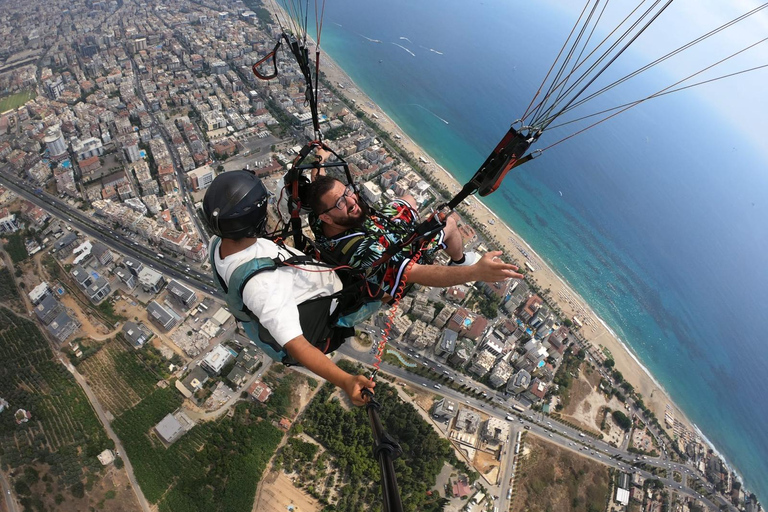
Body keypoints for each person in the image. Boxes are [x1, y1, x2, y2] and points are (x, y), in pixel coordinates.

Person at [203, 170, 374, 406]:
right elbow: (299, 346)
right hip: (329, 308)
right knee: (383, 290)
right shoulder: (261, 287)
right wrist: (346, 381)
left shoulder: (217, 242)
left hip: (307, 283)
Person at [309, 175, 523, 298]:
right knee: (449, 222)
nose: (351, 201)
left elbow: (323, 191)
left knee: (409, 198)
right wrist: (475, 272)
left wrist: (319, 163)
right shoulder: (364, 251)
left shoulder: (321, 218)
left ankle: (415, 227)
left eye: (347, 192)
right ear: (327, 217)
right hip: (391, 261)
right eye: (340, 203)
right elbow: (417, 273)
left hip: (375, 230)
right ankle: (459, 260)